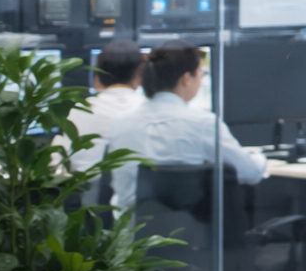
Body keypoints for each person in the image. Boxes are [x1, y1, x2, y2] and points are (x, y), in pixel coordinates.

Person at [106, 41, 264, 209]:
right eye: (200, 73)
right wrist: (258, 158)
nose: (202, 79)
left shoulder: (119, 122)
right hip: (184, 232)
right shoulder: (203, 123)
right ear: (187, 78)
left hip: (128, 232)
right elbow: (251, 172)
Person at [55, 38, 147, 172]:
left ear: (97, 76)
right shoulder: (147, 109)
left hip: (82, 189)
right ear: (138, 75)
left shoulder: (80, 109)